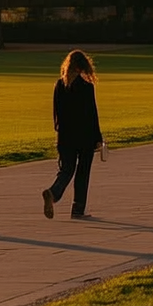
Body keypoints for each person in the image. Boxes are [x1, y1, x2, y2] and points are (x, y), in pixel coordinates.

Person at [42, 49, 103, 220]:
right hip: (84, 137)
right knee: (83, 172)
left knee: (66, 170)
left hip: (65, 136)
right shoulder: (86, 87)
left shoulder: (59, 85)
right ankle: (78, 209)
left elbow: (56, 115)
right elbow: (92, 115)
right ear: (83, 67)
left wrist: (60, 133)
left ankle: (53, 193)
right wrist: (98, 138)